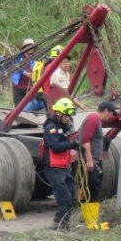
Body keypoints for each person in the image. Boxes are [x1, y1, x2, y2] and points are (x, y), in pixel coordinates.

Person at [42, 98, 80, 228]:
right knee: (65, 200)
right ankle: (58, 224)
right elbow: (56, 147)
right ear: (58, 113)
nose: (68, 118)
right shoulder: (51, 128)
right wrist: (70, 143)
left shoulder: (63, 127)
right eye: (67, 115)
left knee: (72, 196)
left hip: (63, 167)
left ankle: (65, 224)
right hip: (53, 168)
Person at [78, 101, 118, 201]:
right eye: (111, 114)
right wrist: (90, 160)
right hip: (91, 161)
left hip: (95, 160)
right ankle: (85, 211)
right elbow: (85, 140)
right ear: (106, 111)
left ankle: (88, 211)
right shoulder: (93, 119)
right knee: (92, 187)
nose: (111, 117)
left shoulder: (95, 120)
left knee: (94, 186)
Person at [10, 38, 36, 106]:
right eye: (28, 47)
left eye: (32, 47)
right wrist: (25, 73)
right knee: (18, 106)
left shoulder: (35, 57)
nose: (30, 49)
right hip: (18, 86)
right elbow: (16, 66)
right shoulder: (18, 57)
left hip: (30, 87)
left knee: (29, 107)